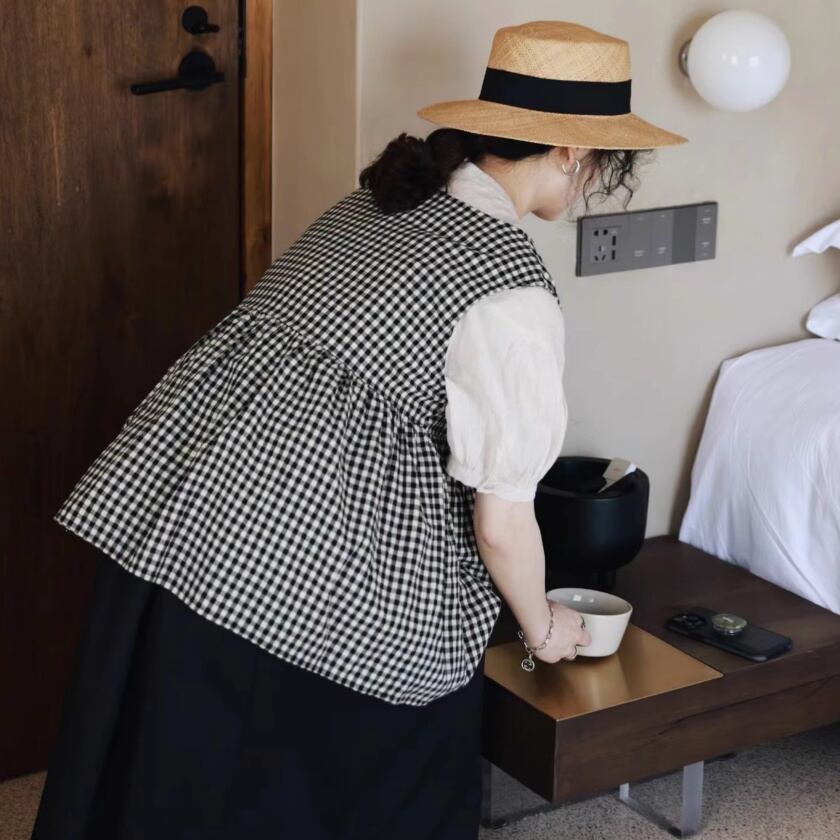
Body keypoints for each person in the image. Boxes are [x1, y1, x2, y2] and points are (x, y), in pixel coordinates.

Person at [31, 19, 687, 840]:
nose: (594, 183)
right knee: (396, 727)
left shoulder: (379, 201)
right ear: (568, 150)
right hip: (292, 533)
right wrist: (543, 624)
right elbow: (501, 521)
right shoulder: (509, 290)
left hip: (181, 497)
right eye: (601, 162)